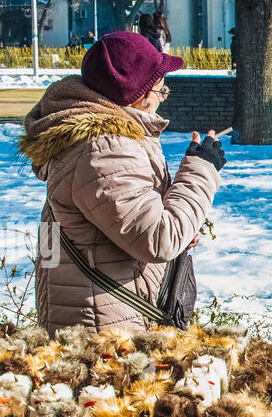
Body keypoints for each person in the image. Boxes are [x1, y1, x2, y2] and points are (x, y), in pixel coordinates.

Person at [18, 31, 224, 333]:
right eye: (160, 89)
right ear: (139, 96)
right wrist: (201, 168)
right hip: (107, 327)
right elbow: (158, 240)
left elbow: (72, 231)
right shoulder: (104, 150)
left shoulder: (86, 140)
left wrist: (182, 225)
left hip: (88, 310)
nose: (162, 96)